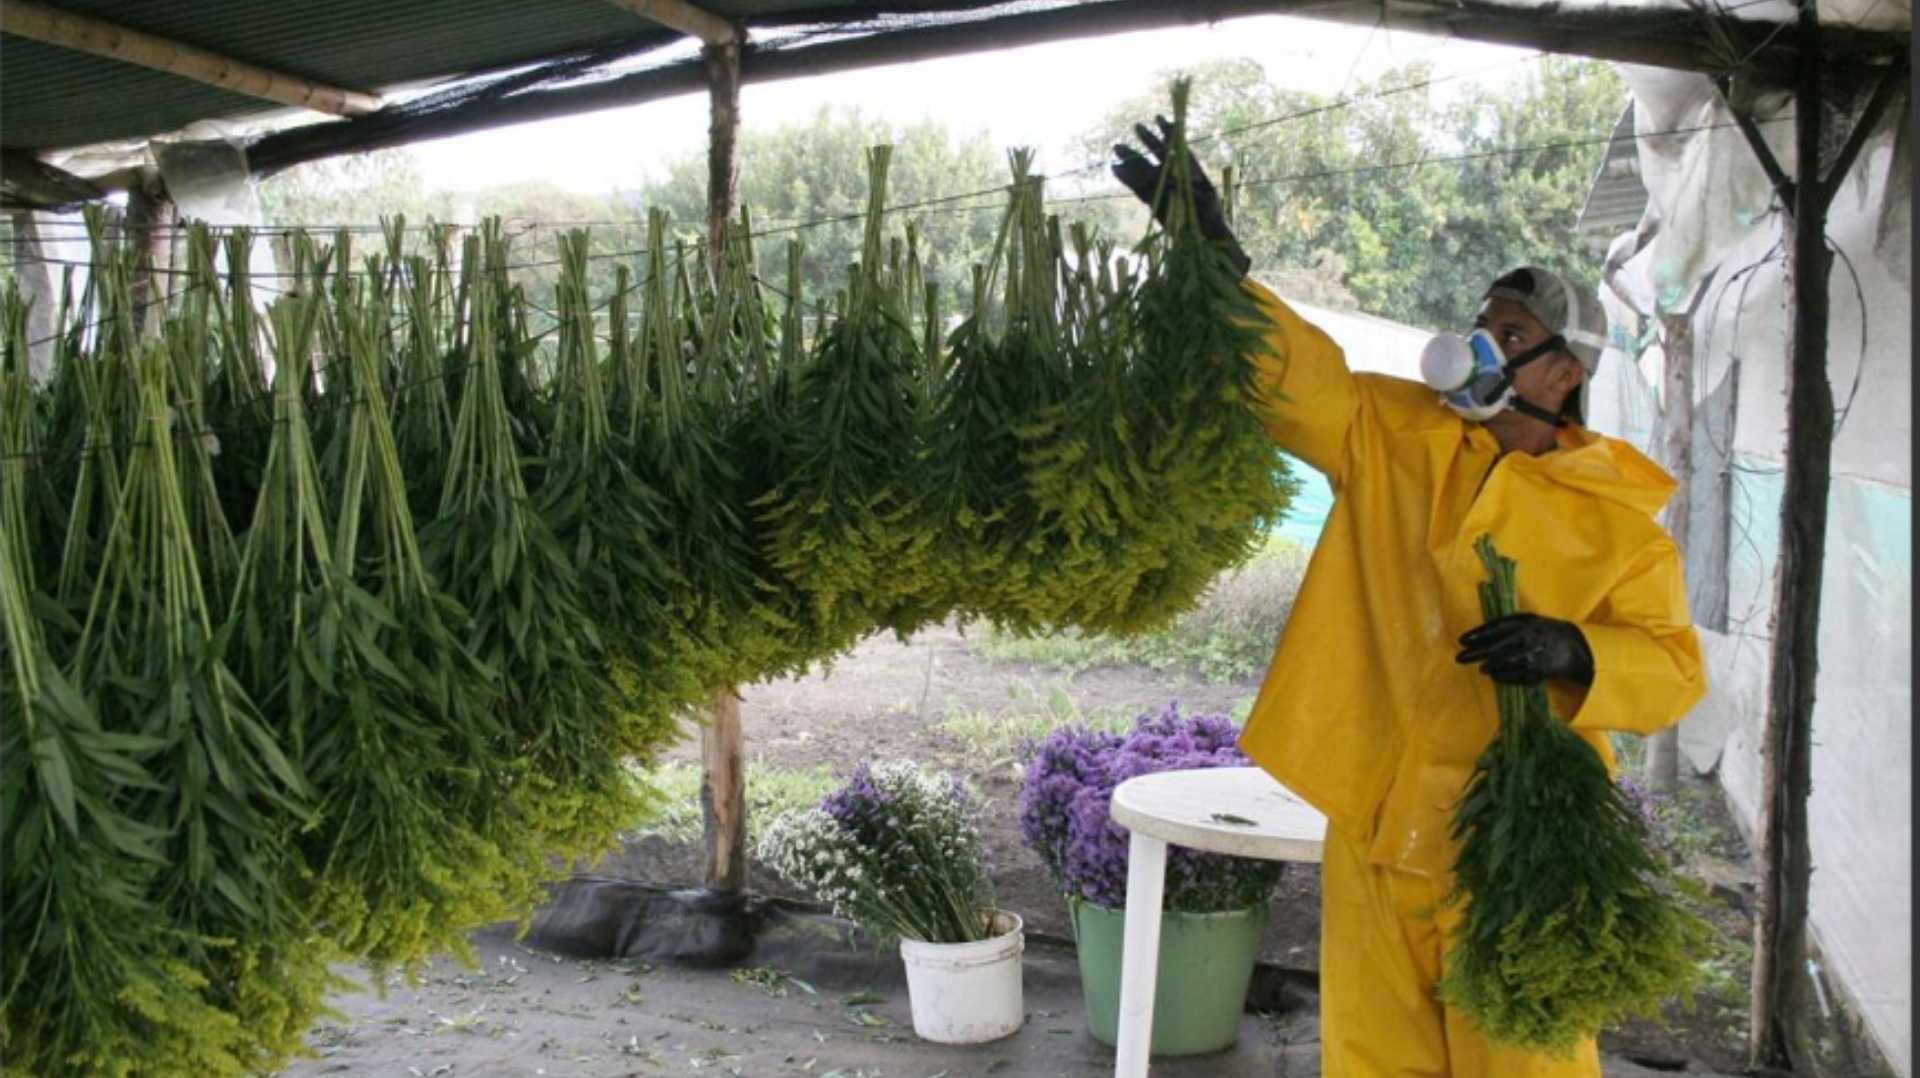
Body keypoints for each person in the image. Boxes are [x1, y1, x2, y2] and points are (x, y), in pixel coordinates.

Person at [1114, 119, 1706, 1078]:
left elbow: (1674, 670)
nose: (1478, 343)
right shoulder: (1397, 436)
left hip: (1521, 841)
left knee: (1524, 1058)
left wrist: (1574, 651)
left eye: (1508, 333)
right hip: (1382, 824)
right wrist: (1216, 261)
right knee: (1371, 1056)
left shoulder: (1621, 522)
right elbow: (1298, 385)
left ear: (1568, 368)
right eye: (1481, 322)